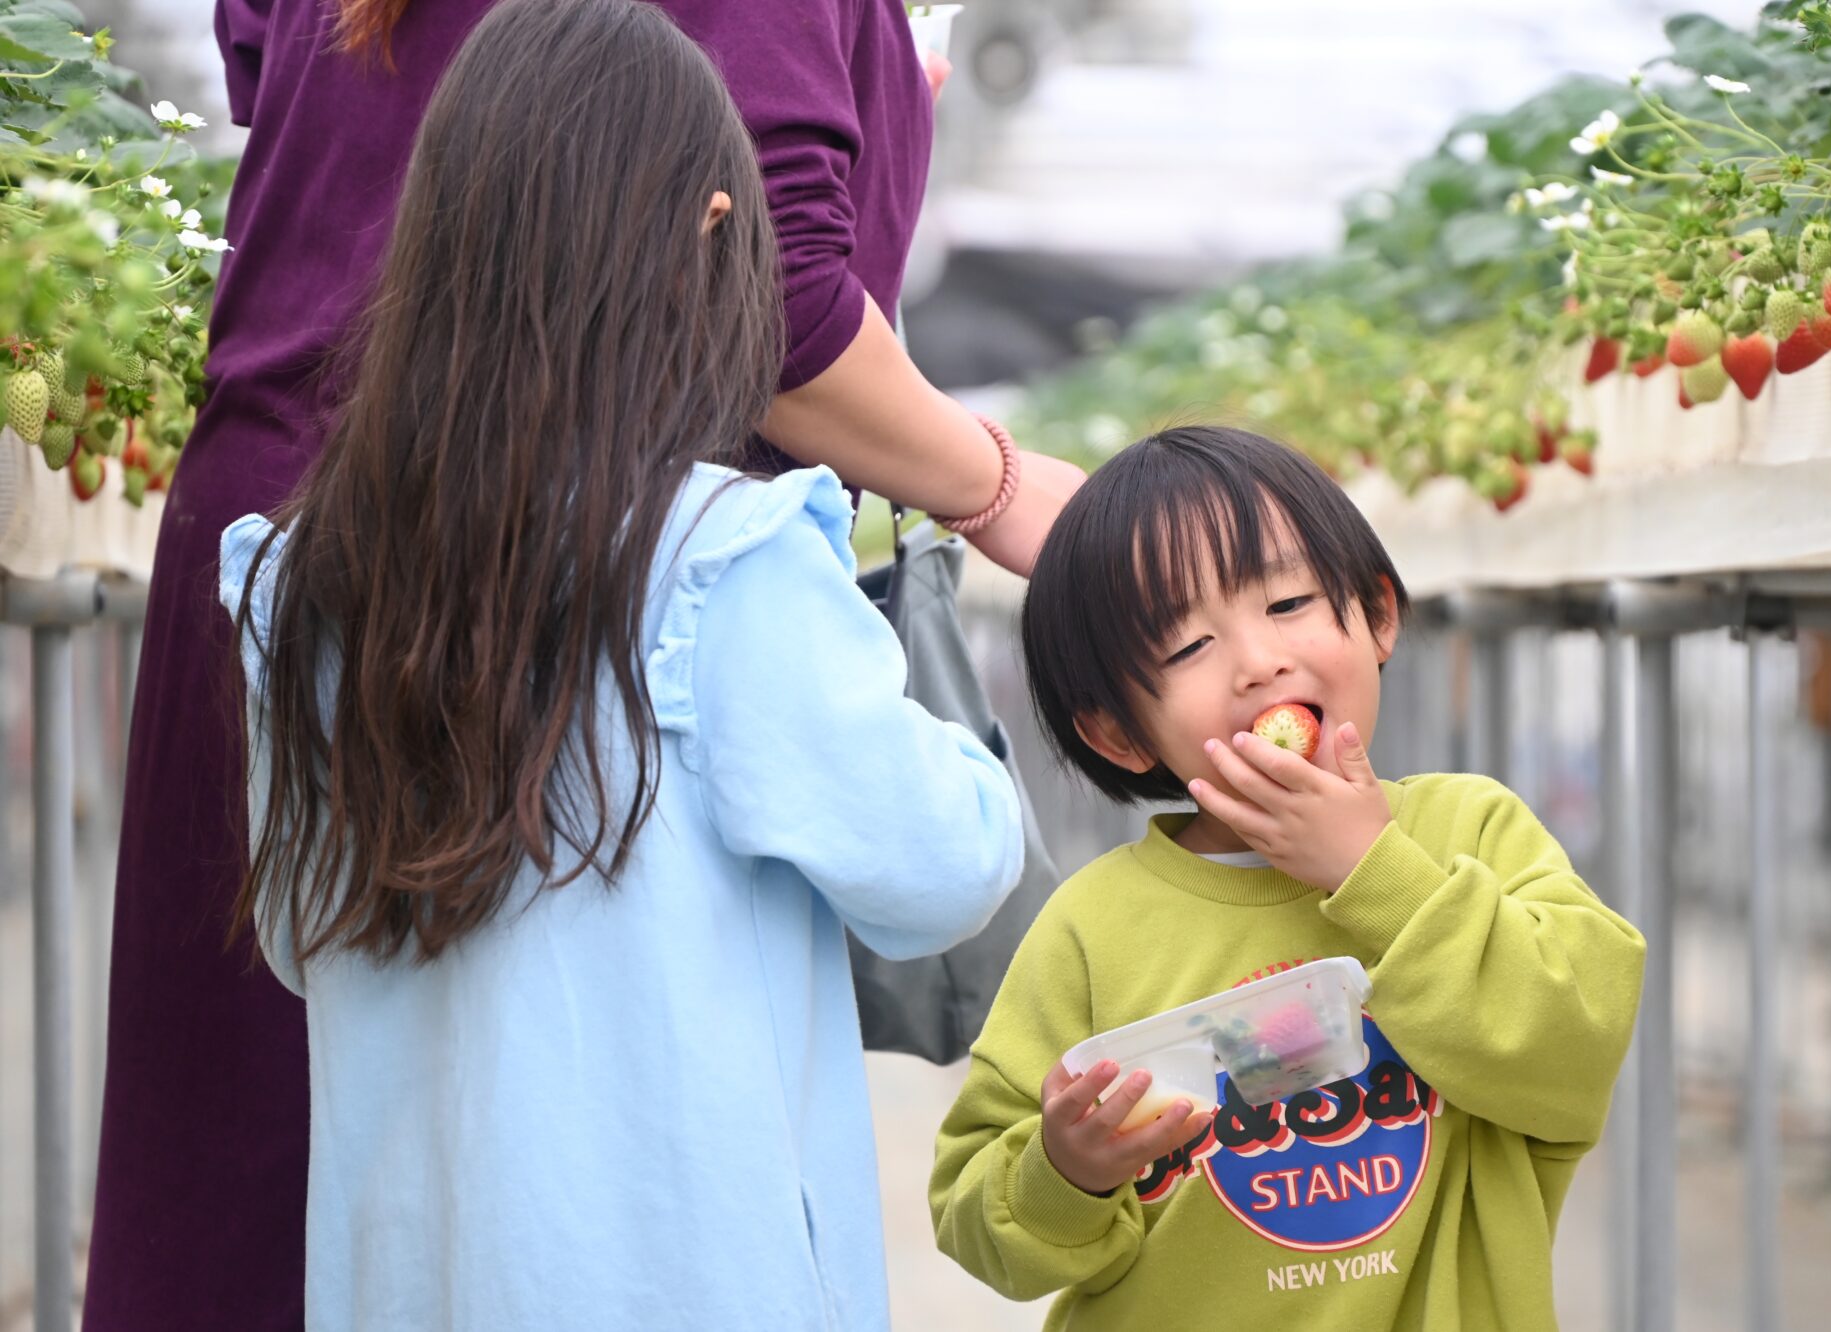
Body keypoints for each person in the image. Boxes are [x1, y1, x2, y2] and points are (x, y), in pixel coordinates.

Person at [87, 0, 1078, 1323]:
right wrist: (997, 518)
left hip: (318, 500)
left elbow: (289, 930)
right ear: (709, 234)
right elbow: (941, 867)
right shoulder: (732, 564)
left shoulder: (293, 600)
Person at [929, 425, 1645, 1330]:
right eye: (1186, 647)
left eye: (1291, 601)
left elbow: (1573, 1049)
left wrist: (1374, 872)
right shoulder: (1093, 927)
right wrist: (1064, 1171)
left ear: (1376, 613)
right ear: (1117, 731)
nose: (1258, 660)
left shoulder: (1471, 832)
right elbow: (972, 1213)